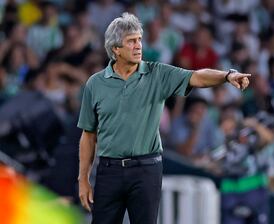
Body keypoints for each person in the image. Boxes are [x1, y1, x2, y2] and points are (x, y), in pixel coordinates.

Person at [77, 12, 250, 224]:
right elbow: (88, 134)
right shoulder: (95, 84)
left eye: (140, 39)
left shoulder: (156, 74)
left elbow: (196, 76)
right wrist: (83, 179)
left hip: (146, 169)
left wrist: (227, 75)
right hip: (108, 170)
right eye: (131, 41)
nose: (138, 45)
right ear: (116, 49)